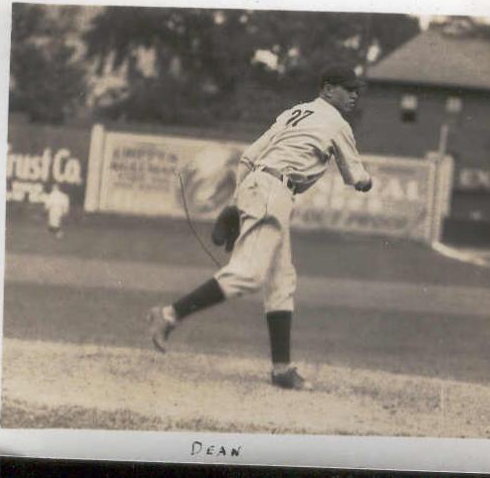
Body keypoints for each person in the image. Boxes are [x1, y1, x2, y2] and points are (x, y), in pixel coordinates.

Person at [149, 64, 372, 390]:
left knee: (281, 280)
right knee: (250, 274)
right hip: (273, 192)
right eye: (348, 88)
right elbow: (357, 177)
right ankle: (169, 314)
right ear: (327, 89)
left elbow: (249, 157)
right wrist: (368, 181)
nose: (354, 95)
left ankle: (281, 369)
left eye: (357, 90)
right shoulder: (337, 123)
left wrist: (235, 203)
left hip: (262, 186)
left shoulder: (294, 113)